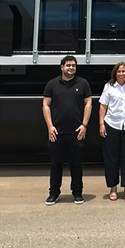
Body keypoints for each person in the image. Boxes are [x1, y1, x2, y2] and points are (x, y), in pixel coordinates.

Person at [41, 54, 92, 205]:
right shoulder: (52, 84)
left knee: (76, 165)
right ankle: (54, 194)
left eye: (73, 65)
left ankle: (77, 193)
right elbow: (45, 105)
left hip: (76, 132)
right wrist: (50, 126)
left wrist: (84, 125)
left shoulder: (82, 84)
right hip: (57, 132)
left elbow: (88, 104)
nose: (71, 68)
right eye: (68, 65)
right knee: (56, 164)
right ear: (62, 67)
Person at [99, 61, 125, 202]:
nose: (121, 74)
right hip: (112, 124)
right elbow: (103, 107)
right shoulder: (108, 87)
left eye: (124, 71)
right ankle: (113, 188)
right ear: (115, 73)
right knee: (111, 158)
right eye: (119, 71)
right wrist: (101, 124)